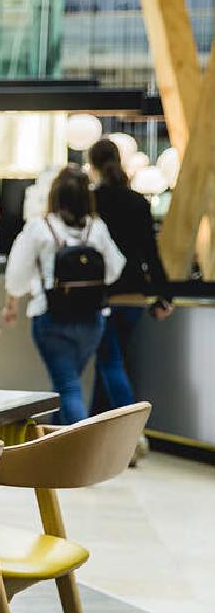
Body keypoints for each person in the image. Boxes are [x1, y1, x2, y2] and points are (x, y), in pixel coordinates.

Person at [3, 165, 125, 425]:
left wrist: (13, 299)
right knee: (69, 385)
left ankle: (83, 455)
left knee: (67, 388)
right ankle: (58, 446)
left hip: (52, 320)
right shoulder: (97, 228)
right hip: (92, 322)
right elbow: (114, 270)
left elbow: (16, 277)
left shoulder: (40, 228)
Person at [88, 138, 173, 412]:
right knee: (110, 362)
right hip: (134, 297)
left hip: (103, 295)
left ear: (93, 166)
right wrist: (164, 294)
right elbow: (151, 253)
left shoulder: (91, 202)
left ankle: (133, 433)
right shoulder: (138, 202)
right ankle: (96, 429)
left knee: (109, 362)